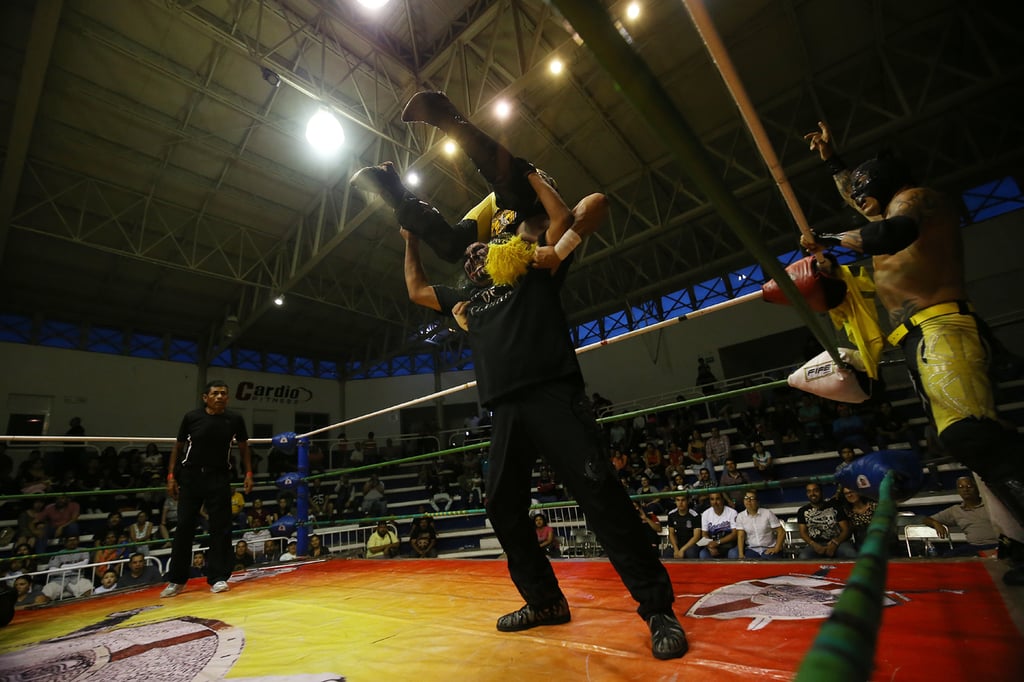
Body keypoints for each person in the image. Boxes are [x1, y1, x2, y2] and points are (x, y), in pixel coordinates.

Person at [399, 129, 687, 659]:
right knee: (502, 506)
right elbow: (416, 290)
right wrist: (410, 239)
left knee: (600, 497)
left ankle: (657, 608)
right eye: (470, 256)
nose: (474, 257)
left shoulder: (534, 266)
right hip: (505, 409)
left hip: (553, 394)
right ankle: (545, 601)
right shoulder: (467, 301)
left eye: (482, 250)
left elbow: (576, 212)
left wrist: (529, 175)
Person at [803, 121, 1024, 536]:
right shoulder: (887, 212)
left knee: (970, 435)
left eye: (864, 191)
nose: (858, 199)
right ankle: (1016, 537)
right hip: (920, 337)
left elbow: (890, 232)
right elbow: (865, 207)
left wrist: (828, 237)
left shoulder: (916, 200)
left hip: (941, 327)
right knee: (968, 439)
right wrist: (832, 162)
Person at [160, 379, 253, 598]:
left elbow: (243, 447)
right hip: (191, 476)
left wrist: (248, 473)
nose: (220, 396)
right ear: (205, 397)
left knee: (220, 527)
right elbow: (178, 447)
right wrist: (171, 476)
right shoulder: (192, 417)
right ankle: (176, 580)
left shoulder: (235, 419)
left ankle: (218, 577)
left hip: (219, 476)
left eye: (224, 393)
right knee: (184, 526)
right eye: (215, 393)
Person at [921, 476, 1000, 556]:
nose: (965, 490)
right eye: (961, 487)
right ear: (958, 491)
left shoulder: (990, 504)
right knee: (948, 556)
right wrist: (935, 523)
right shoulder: (955, 510)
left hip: (995, 545)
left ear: (977, 488)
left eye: (969, 486)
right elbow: (925, 519)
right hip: (973, 547)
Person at [796, 483, 857, 559]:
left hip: (839, 542)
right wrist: (813, 545)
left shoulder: (835, 506)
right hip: (815, 544)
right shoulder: (802, 511)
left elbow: (846, 530)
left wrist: (835, 543)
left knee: (849, 553)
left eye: (815, 490)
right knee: (803, 557)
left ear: (821, 492)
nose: (812, 494)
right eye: (809, 491)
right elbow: (803, 533)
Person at [730, 490, 785, 559]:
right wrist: (741, 554)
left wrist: (777, 548)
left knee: (765, 557)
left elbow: (781, 532)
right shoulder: (740, 516)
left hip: (768, 548)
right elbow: (741, 536)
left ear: (757, 502)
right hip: (752, 549)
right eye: (746, 498)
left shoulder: (767, 513)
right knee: (734, 555)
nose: (748, 500)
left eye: (752, 498)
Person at [41, 534, 93, 600]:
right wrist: (75, 567)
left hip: (77, 578)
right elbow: (52, 570)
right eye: (69, 540)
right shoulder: (57, 554)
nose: (72, 542)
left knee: (88, 589)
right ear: (65, 543)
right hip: (58, 579)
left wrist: (63, 567)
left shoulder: (83, 550)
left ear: (78, 541)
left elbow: (84, 564)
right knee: (44, 594)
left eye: (74, 540)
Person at [699, 492, 738, 559]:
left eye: (717, 499)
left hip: (729, 545)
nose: (715, 502)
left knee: (733, 554)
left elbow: (734, 534)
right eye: (712, 499)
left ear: (722, 500)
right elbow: (704, 534)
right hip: (713, 544)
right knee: (703, 554)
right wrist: (710, 547)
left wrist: (717, 542)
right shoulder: (706, 514)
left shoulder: (732, 512)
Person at [664, 494, 701, 560]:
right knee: (667, 554)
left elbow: (696, 536)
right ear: (675, 501)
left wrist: (682, 550)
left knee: (691, 553)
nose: (680, 503)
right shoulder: (671, 514)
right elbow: (671, 534)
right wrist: (676, 549)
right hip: (678, 545)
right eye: (678, 500)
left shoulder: (695, 515)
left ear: (687, 501)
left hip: (692, 545)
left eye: (683, 500)